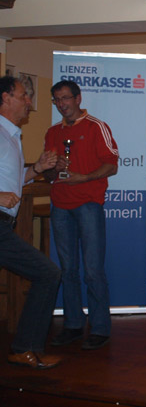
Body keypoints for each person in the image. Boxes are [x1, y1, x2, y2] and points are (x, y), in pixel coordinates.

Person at [44, 80, 119, 350]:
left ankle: (99, 328)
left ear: (78, 98)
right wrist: (53, 168)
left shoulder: (96, 127)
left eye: (65, 98)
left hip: (88, 203)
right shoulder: (53, 132)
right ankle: (73, 324)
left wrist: (83, 178)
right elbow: (48, 174)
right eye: (57, 100)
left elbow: (112, 165)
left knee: (93, 270)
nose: (61, 104)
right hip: (60, 205)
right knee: (68, 270)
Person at [0, 75, 62, 369]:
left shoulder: (11, 136)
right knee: (48, 273)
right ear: (5, 98)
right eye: (23, 95)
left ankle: (26, 349)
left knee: (46, 274)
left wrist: (36, 168)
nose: (29, 101)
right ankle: (25, 348)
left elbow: (13, 181)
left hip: (4, 226)